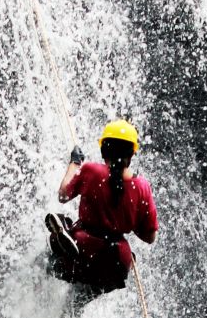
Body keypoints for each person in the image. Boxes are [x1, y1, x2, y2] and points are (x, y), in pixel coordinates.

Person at [45, 120, 158, 293]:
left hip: (86, 245)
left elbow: (63, 195)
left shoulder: (92, 171)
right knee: (78, 302)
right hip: (116, 262)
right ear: (132, 153)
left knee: (46, 262)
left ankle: (64, 242)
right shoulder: (142, 186)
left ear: (103, 149)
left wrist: (75, 163)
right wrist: (127, 218)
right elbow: (150, 237)